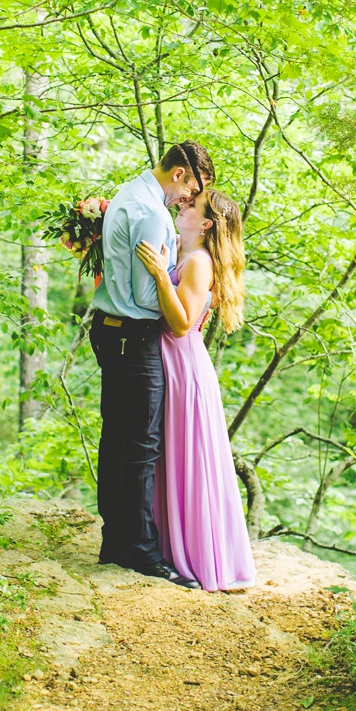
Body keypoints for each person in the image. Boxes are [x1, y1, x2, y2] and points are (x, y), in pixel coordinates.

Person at [89, 140, 214, 588]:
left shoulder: (128, 193)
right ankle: (140, 551)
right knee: (140, 446)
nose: (189, 200)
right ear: (181, 174)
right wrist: (185, 304)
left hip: (109, 329)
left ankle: (116, 540)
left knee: (117, 439)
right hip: (133, 336)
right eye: (194, 188)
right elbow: (145, 297)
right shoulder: (152, 213)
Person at [137, 188, 256, 592]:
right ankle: (172, 548)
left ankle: (198, 558)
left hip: (183, 364)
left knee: (186, 457)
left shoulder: (200, 262)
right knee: (173, 457)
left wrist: (158, 276)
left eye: (192, 206)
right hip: (172, 361)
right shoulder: (182, 255)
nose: (183, 205)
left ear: (205, 224)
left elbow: (182, 323)